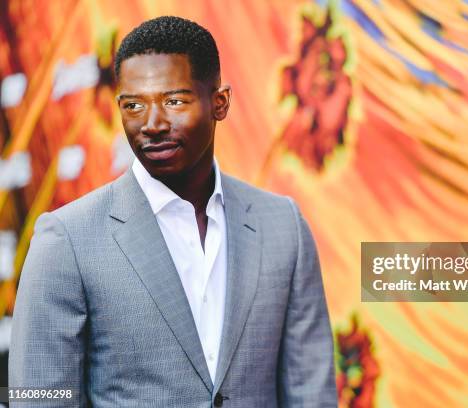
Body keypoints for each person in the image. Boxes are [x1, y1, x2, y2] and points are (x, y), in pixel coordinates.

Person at [9, 16, 337, 407]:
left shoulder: (283, 226)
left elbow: (311, 394)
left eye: (174, 101)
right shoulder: (67, 240)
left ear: (220, 103)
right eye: (134, 105)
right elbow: (40, 398)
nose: (152, 124)